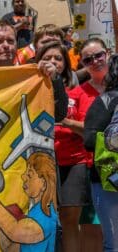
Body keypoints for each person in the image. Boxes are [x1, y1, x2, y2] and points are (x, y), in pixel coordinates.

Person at [39, 40, 96, 252]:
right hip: (43, 163)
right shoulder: (32, 88)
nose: (53, 62)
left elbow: (88, 128)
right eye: (47, 58)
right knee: (46, 219)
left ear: (65, 63)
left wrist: (65, 121)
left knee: (69, 220)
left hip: (74, 162)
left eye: (58, 58)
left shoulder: (78, 92)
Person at [0, 152, 58, 251]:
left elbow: (18, 232)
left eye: (30, 175)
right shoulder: (36, 211)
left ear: (44, 184)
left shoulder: (47, 214)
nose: (23, 176)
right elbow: (17, 247)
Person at [84, 52, 118, 252]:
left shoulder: (103, 101)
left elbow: (89, 141)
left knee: (113, 244)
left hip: (107, 179)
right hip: (109, 182)